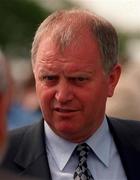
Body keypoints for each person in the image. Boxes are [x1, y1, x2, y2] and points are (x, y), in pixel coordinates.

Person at [1, 9, 140, 180]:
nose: (62, 96)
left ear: (111, 80)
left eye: (78, 79)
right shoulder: (3, 159)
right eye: (49, 78)